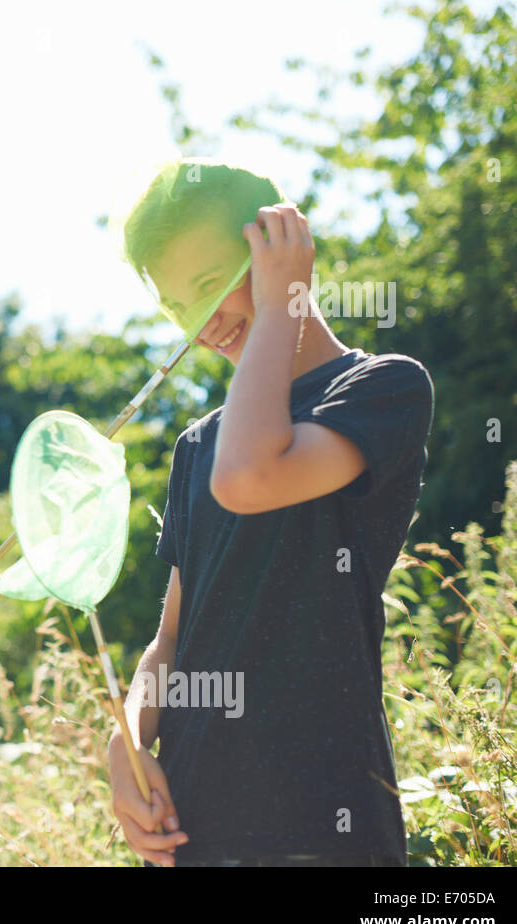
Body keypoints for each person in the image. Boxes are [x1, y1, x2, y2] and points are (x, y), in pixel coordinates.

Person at [107, 159, 434, 866]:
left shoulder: (383, 388)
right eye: (175, 308)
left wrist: (283, 302)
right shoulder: (198, 445)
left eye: (206, 288)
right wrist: (126, 743)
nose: (198, 325)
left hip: (322, 819)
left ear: (280, 249)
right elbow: (169, 640)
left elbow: (251, 478)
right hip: (192, 827)